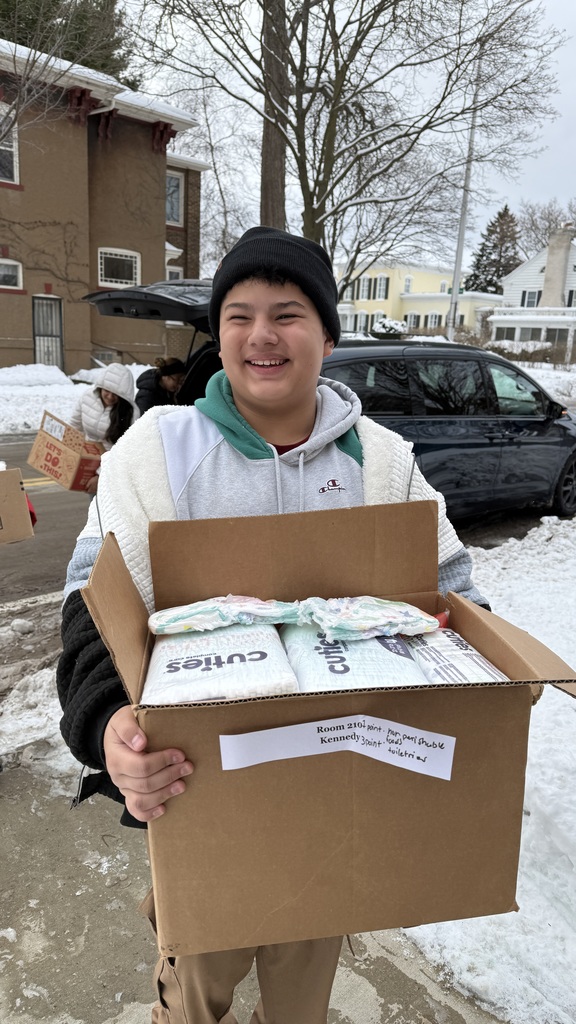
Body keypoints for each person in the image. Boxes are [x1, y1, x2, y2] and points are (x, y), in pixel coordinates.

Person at [57, 227, 488, 1024]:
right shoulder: (157, 452)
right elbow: (94, 607)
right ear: (217, 334)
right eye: (239, 315)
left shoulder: (380, 462)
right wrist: (110, 722)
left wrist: (450, 652)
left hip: (334, 797)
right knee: (194, 998)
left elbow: (456, 594)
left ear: (327, 333)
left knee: (300, 1002)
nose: (261, 336)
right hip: (201, 794)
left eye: (287, 314)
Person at [68, 363, 139, 493]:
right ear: (100, 387)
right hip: (90, 464)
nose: (110, 397)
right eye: (106, 391)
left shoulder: (130, 413)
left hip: (114, 469)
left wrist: (100, 475)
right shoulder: (87, 397)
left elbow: (125, 450)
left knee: (109, 510)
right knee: (94, 508)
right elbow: (74, 426)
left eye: (116, 394)